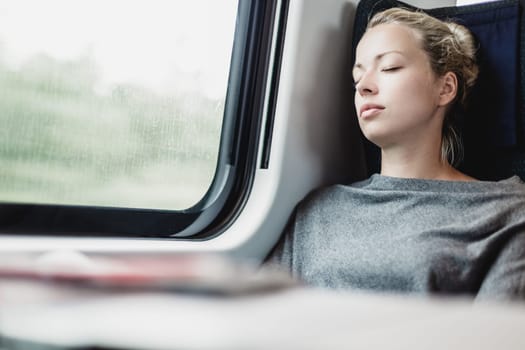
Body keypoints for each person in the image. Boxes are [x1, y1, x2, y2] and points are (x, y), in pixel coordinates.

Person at [267, 7, 525, 300]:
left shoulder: (507, 213)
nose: (363, 86)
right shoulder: (316, 212)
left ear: (445, 88)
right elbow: (261, 313)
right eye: (357, 78)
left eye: (389, 67)